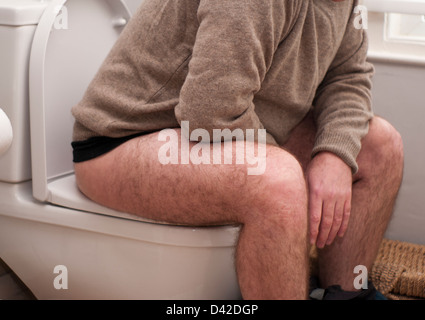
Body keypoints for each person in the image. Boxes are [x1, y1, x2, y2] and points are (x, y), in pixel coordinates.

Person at [70, 0, 404, 299]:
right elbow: (209, 113)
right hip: (124, 141)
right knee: (278, 183)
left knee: (380, 146)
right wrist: (288, 176)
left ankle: (342, 295)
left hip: (229, 124)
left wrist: (334, 155)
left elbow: (347, 77)